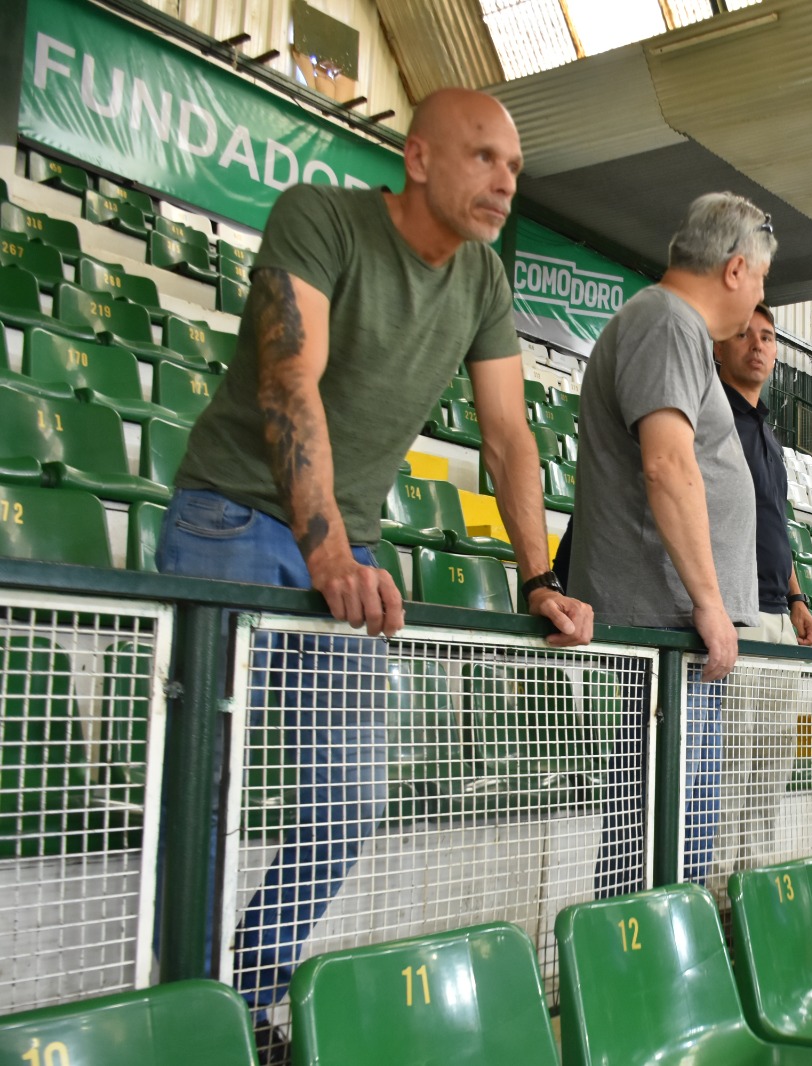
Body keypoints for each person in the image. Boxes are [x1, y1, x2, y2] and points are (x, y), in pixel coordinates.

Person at [157, 87, 593, 1041]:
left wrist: (540, 577)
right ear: (420, 158)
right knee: (203, 790)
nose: (504, 182)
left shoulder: (483, 280)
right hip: (230, 519)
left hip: (346, 546)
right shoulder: (320, 216)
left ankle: (247, 997)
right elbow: (287, 374)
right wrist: (323, 547)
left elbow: (511, 434)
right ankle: (186, 1016)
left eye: (514, 168)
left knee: (347, 796)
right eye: (483, 157)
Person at [572, 191, 776, 892]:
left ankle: (646, 980)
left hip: (676, 628)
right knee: (660, 829)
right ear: (735, 270)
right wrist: (710, 601)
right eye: (761, 282)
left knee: (675, 828)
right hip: (666, 623)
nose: (758, 298)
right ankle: (626, 982)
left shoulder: (670, 325)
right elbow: (666, 463)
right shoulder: (665, 321)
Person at [714, 303, 812, 873]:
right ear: (719, 347)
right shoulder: (713, 417)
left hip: (778, 610)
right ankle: (716, 887)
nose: (758, 345)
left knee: (772, 761)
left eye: (769, 337)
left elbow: (775, 520)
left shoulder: (770, 433)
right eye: (744, 334)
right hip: (734, 607)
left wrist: (799, 597)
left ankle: (750, 882)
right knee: (733, 759)